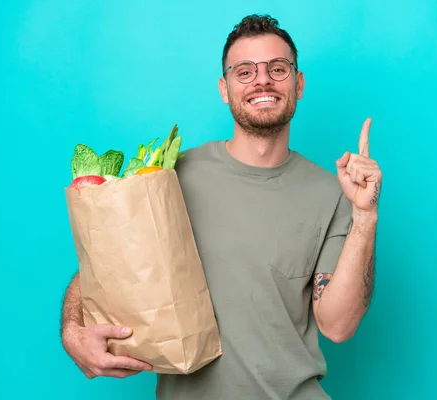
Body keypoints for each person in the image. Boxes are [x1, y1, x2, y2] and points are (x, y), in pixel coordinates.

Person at [60, 14, 382, 400]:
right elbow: (106, 268)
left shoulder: (333, 193)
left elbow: (338, 325)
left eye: (277, 69)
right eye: (244, 71)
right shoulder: (169, 177)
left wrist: (364, 214)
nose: (262, 80)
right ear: (224, 89)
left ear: (298, 84)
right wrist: (73, 329)